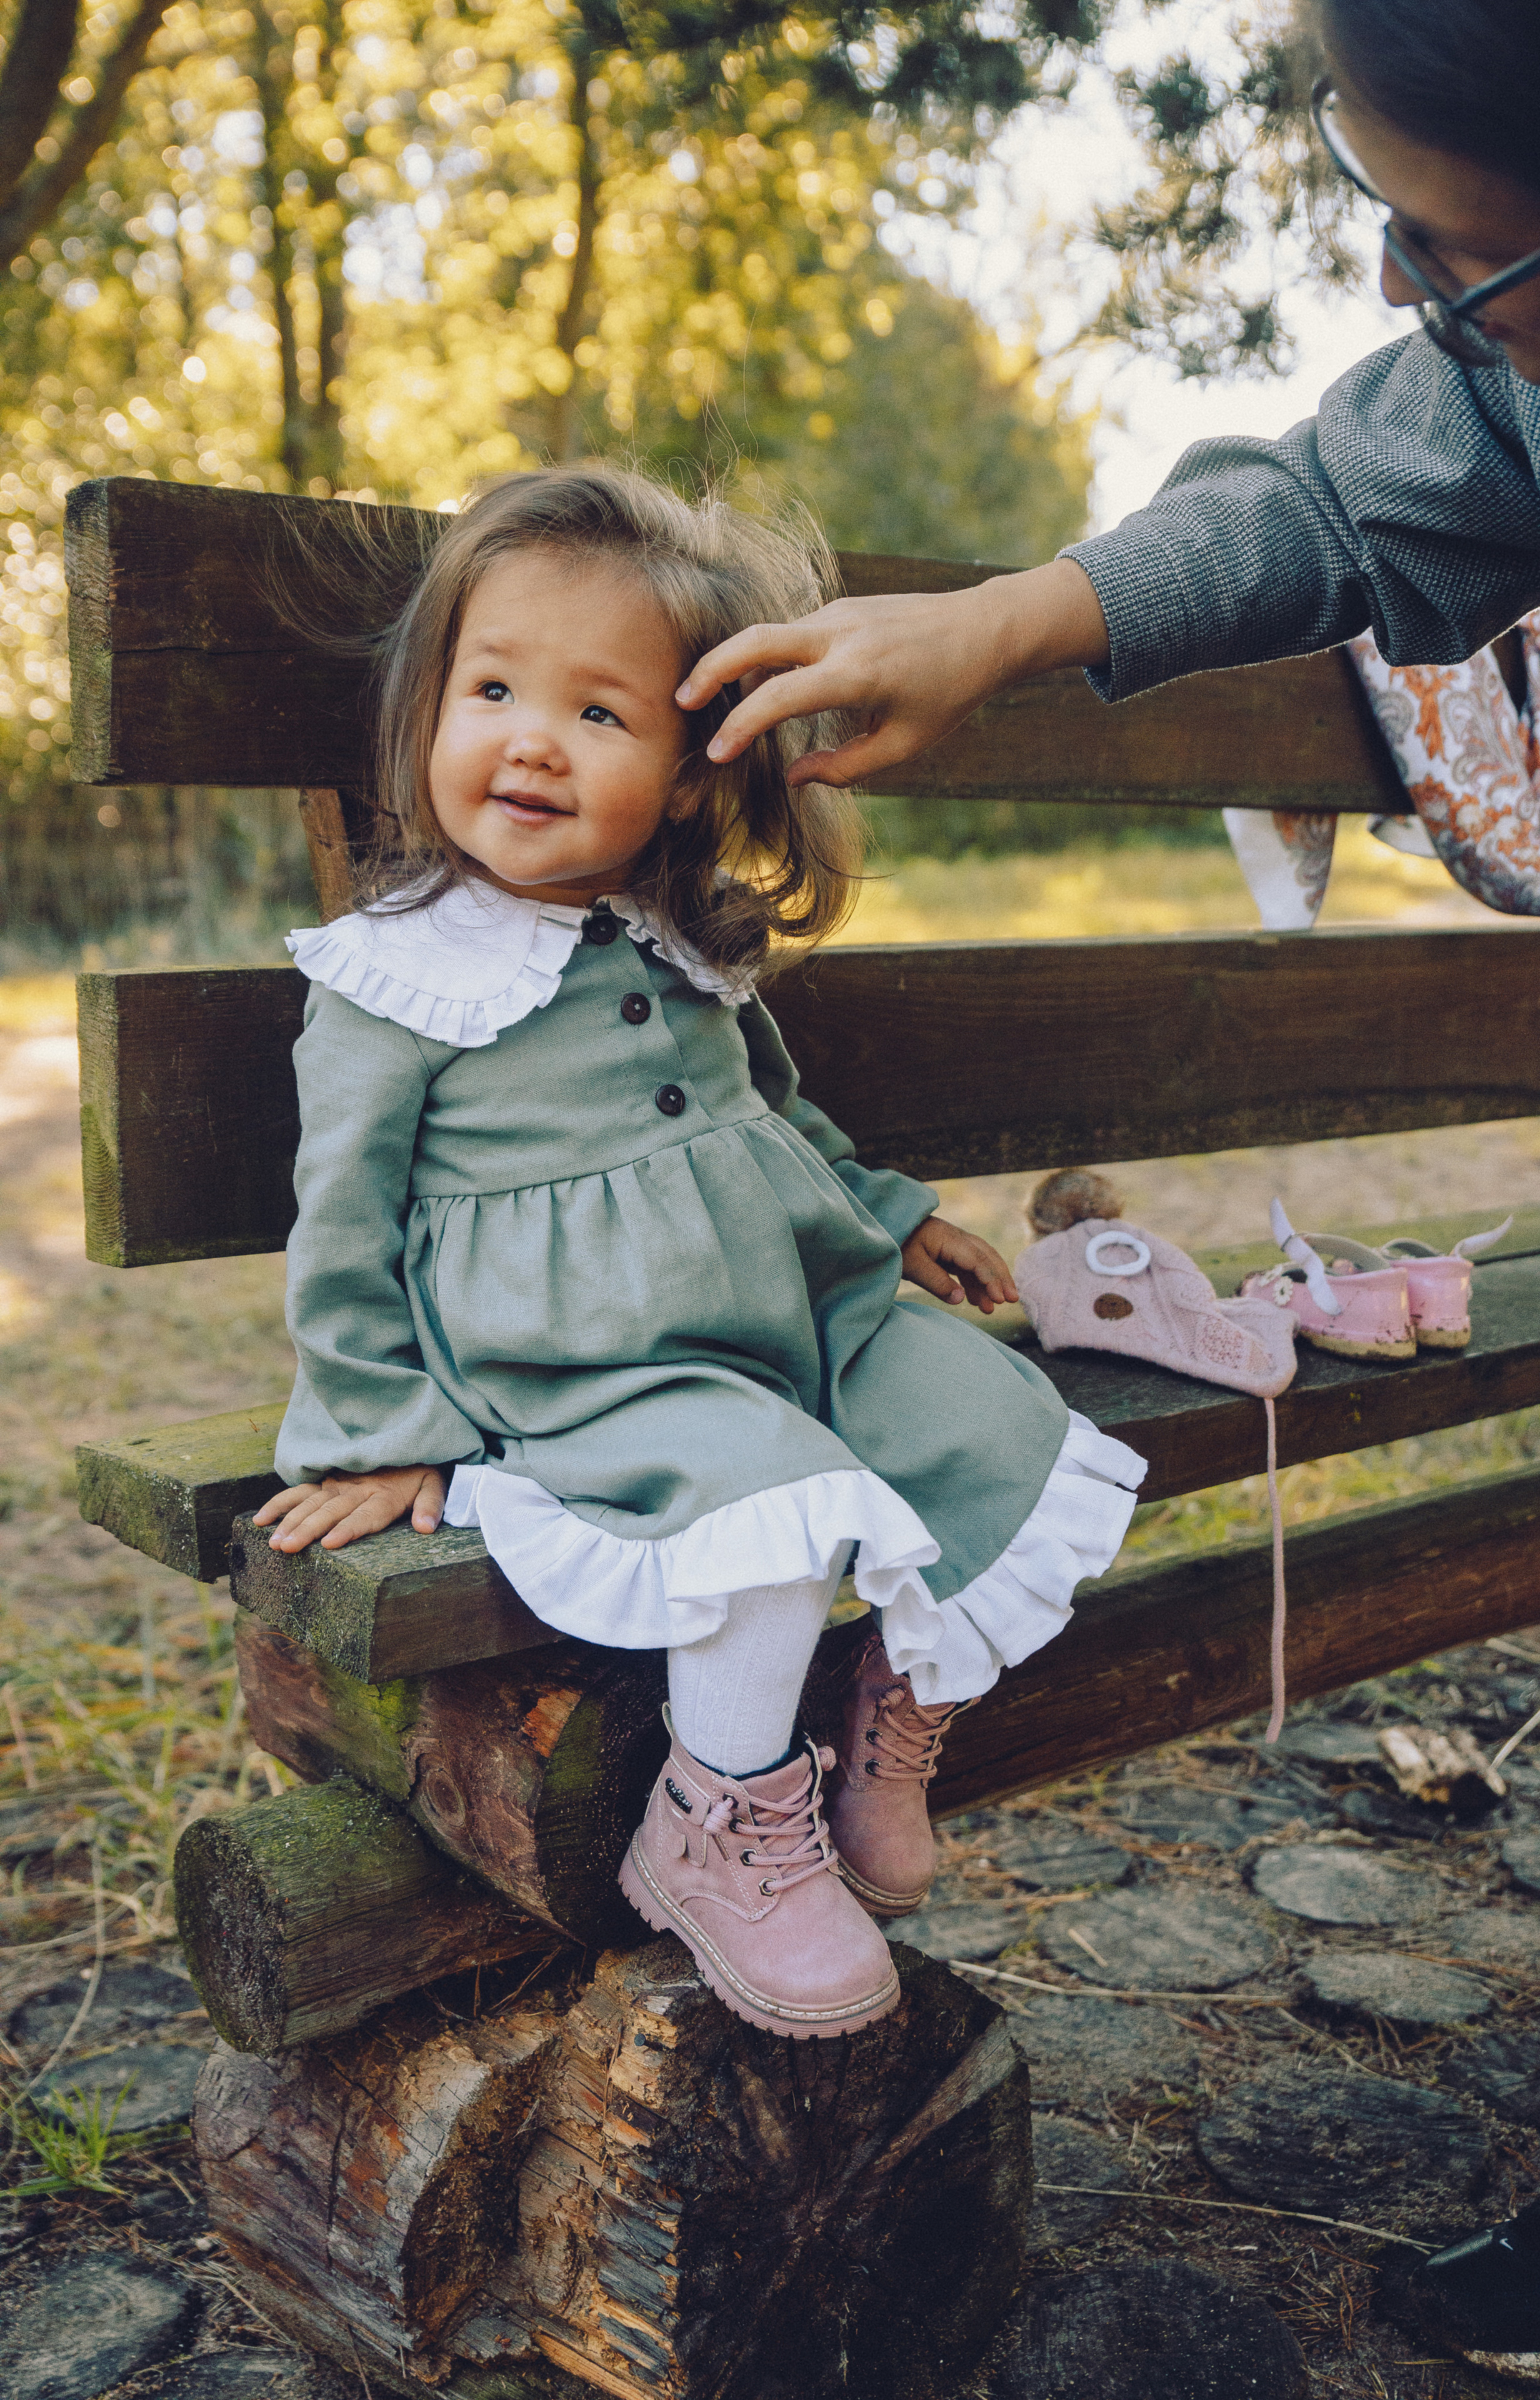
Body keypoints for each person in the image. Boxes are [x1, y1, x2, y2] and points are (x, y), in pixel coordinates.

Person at [672, 0, 1540, 2368]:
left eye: (1455, 247)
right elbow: (1341, 497)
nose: (1401, 285)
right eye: (1373, 202)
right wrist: (997, 624)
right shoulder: (1527, 356)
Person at [252, 462, 1146, 2044]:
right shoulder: (397, 975)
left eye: (599, 714)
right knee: (766, 1510)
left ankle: (889, 1715)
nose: (530, 735)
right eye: (494, 688)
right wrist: (384, 1431)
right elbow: (341, 1222)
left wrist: (889, 1217)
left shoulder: (683, 937)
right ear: (433, 709)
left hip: (791, 1306)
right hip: (599, 1359)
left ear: (680, 774)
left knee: (1000, 1428)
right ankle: (718, 1823)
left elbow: (775, 1120)